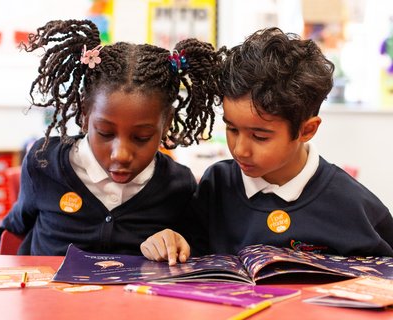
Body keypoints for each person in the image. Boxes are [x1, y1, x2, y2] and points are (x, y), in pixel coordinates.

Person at [141, 27, 393, 265]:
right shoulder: (217, 185)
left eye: (260, 137)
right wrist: (168, 242)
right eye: (232, 129)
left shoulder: (353, 206)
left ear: (307, 130)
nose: (240, 149)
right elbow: (189, 249)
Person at [0, 19, 223, 256]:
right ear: (84, 115)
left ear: (166, 125)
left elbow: (192, 253)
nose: (121, 154)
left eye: (141, 137)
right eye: (105, 133)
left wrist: (175, 242)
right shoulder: (44, 164)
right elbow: (13, 235)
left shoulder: (177, 185)